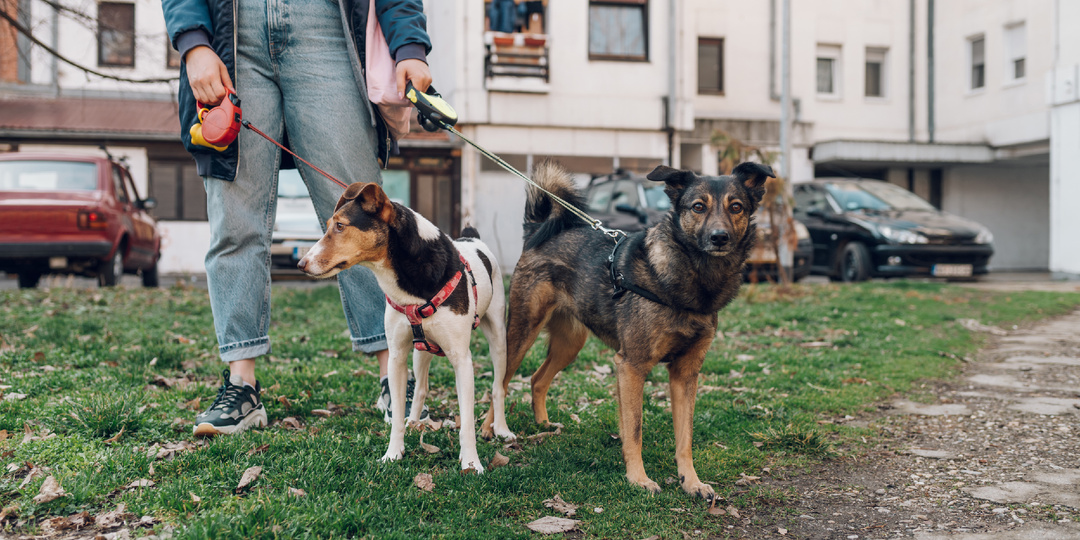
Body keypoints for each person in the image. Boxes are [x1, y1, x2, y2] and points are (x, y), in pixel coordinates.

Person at [162, 0, 432, 435]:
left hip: (324, 27)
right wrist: (194, 43)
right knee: (234, 221)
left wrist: (411, 46)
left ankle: (394, 378)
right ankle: (240, 386)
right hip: (235, 32)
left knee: (365, 221)